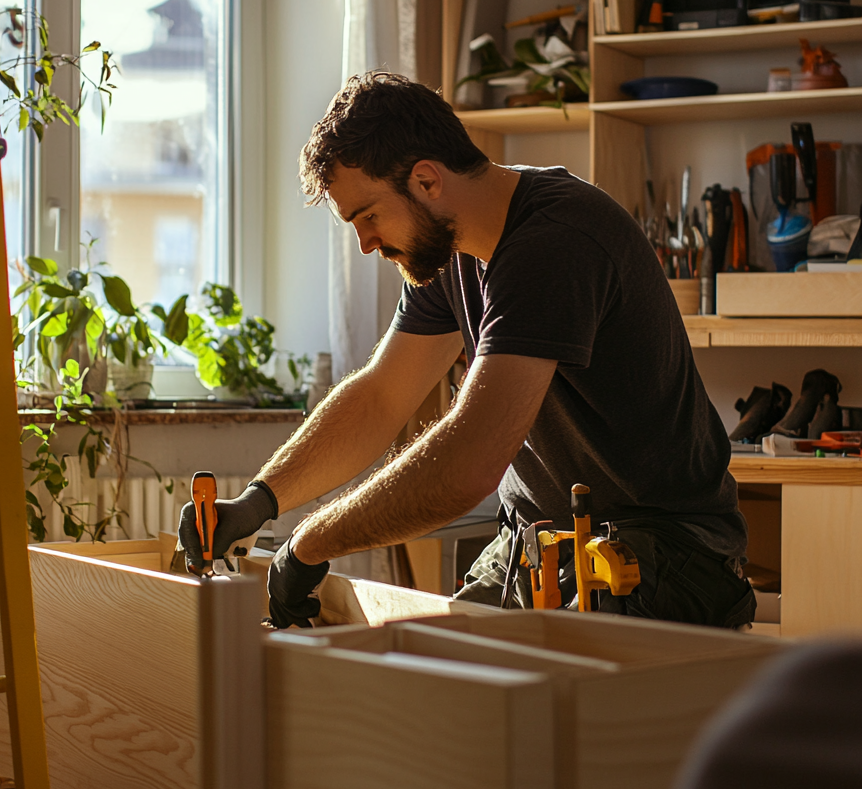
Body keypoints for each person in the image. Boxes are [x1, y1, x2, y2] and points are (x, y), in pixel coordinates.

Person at [178, 71, 755, 630]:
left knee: (488, 710)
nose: (366, 243)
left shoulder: (554, 242)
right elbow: (381, 396)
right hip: (536, 545)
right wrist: (260, 502)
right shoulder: (448, 253)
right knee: (426, 692)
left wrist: (310, 543)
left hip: (664, 553)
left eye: (369, 215)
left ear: (427, 181)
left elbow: (468, 463)